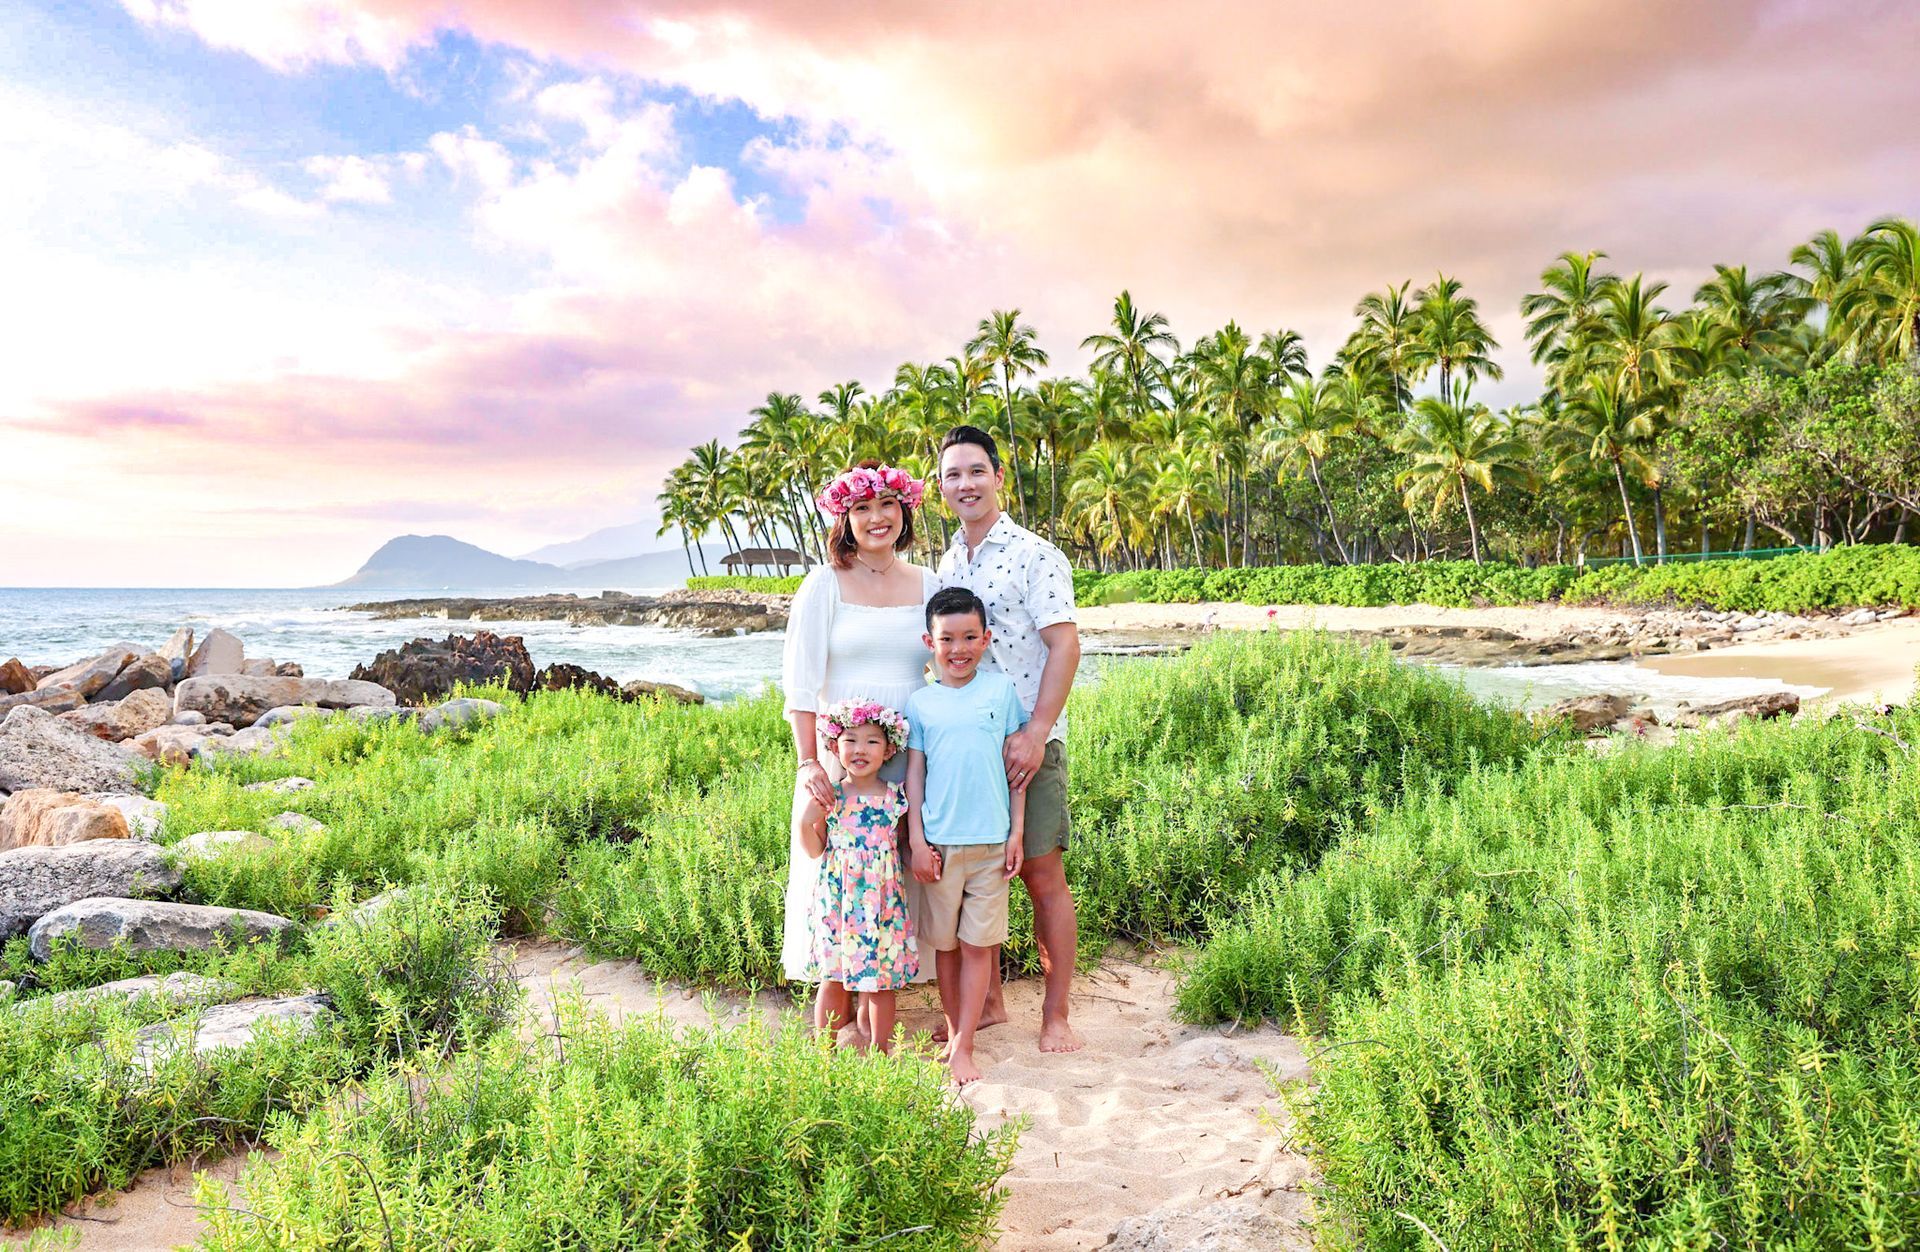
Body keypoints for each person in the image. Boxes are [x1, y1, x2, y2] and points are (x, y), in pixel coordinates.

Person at [935, 425, 1085, 1054]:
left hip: (1026, 742)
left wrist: (1036, 732)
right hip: (966, 750)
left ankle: (1056, 1016)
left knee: (1042, 873)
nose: (965, 484)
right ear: (940, 488)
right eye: (952, 475)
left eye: (976, 471)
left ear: (999, 477)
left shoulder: (1035, 554)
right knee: (976, 871)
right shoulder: (949, 559)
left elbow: (1064, 644)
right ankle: (988, 1003)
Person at [781, 462, 938, 1031]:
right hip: (841, 754)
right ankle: (839, 996)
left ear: (905, 513)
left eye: (888, 506)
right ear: (845, 519)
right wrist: (808, 763)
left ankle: (890, 982)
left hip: (910, 751)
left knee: (897, 865)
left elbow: (947, 665)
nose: (877, 518)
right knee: (837, 865)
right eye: (863, 508)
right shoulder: (823, 585)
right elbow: (799, 686)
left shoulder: (930, 583)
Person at [906, 586, 1028, 1085]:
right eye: (947, 638)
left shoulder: (1000, 692)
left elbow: (1017, 771)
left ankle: (964, 1046)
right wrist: (916, 839)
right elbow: (915, 776)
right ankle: (957, 1028)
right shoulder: (920, 703)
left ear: (986, 639)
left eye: (970, 637)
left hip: (992, 846)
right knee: (947, 950)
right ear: (928, 642)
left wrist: (1017, 833)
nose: (959, 649)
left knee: (979, 946)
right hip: (938, 846)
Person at [797, 697, 918, 1052]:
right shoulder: (831, 796)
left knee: (881, 981)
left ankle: (880, 1051)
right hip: (838, 900)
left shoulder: (896, 797)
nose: (860, 749)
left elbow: (903, 845)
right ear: (834, 747)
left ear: (889, 750)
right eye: (850, 740)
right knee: (832, 978)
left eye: (872, 741)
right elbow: (815, 848)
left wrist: (923, 859)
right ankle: (825, 1050)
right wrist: (806, 820)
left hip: (882, 904)